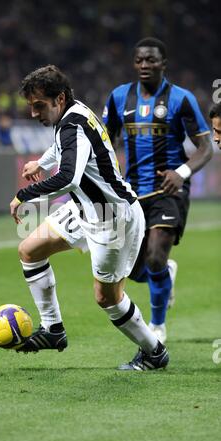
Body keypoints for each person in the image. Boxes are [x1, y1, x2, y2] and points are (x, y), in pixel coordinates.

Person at [10, 64, 169, 371]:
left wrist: (24, 195)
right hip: (85, 210)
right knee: (29, 250)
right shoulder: (75, 111)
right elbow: (67, 149)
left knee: (107, 298)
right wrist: (42, 162)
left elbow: (69, 177)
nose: (33, 113)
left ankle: (154, 352)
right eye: (31, 107)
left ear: (59, 99)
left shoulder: (72, 125)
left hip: (112, 219)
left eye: (39, 106)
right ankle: (53, 330)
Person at [102, 37, 213, 344]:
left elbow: (206, 147)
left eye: (151, 60)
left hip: (169, 189)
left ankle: (158, 326)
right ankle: (167, 271)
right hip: (132, 193)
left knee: (154, 257)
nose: (144, 65)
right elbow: (104, 141)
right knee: (135, 270)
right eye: (139, 60)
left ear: (164, 64)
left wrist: (182, 172)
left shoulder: (181, 99)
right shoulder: (119, 97)